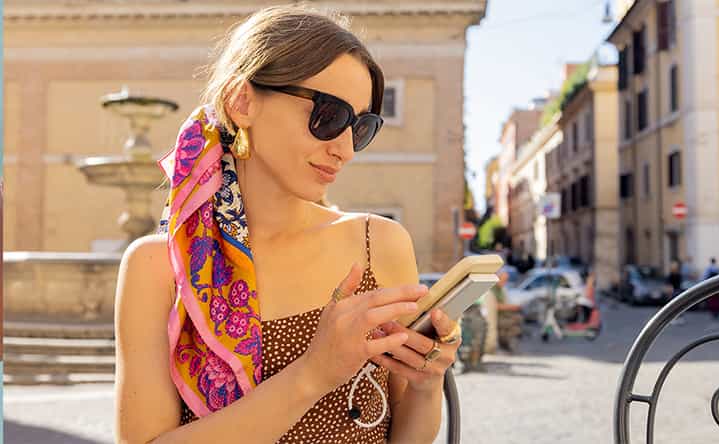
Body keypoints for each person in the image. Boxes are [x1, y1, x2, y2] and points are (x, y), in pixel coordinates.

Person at [114, 7, 461, 444]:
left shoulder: (379, 244)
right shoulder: (160, 266)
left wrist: (426, 385)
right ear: (242, 101)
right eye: (329, 117)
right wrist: (313, 374)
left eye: (361, 128)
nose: (345, 149)